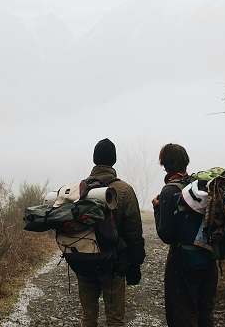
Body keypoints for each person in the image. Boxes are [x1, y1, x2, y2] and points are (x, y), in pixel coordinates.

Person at [76, 138, 145, 327]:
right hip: (113, 264)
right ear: (114, 160)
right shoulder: (124, 190)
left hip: (84, 262)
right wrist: (135, 264)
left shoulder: (80, 189)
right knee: (115, 319)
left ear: (94, 159)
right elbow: (134, 233)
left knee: (88, 317)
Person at [152, 143, 217, 327]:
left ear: (165, 164)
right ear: (185, 162)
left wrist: (157, 209)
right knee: (205, 313)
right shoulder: (200, 186)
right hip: (208, 258)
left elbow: (166, 234)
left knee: (181, 314)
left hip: (182, 261)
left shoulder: (170, 190)